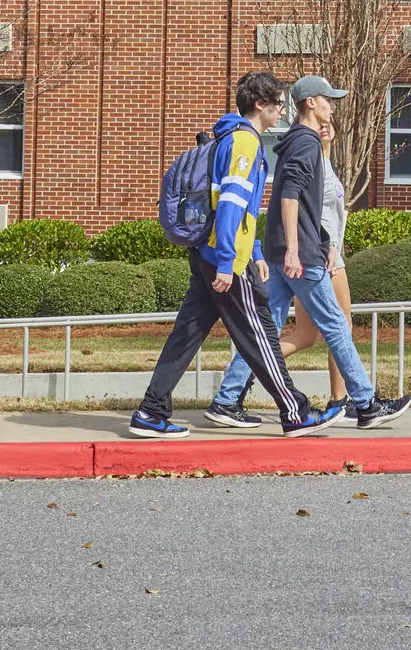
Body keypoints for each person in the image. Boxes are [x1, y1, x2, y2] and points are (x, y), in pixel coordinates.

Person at [127, 71, 345, 439]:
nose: (281, 112)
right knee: (260, 335)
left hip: (209, 253)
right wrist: (230, 262)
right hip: (225, 260)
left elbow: (236, 209)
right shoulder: (245, 143)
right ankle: (296, 412)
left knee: (187, 335)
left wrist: (256, 248)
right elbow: (229, 205)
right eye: (276, 104)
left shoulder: (228, 137)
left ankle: (151, 410)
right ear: (259, 104)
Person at [207, 76, 411, 430]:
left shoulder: (298, 142)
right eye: (328, 100)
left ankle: (226, 400)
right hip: (298, 256)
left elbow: (305, 202)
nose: (333, 106)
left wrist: (320, 243)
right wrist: (295, 251)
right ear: (311, 103)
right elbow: (288, 195)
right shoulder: (305, 142)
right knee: (336, 325)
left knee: (265, 330)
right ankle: (366, 405)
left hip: (293, 250)